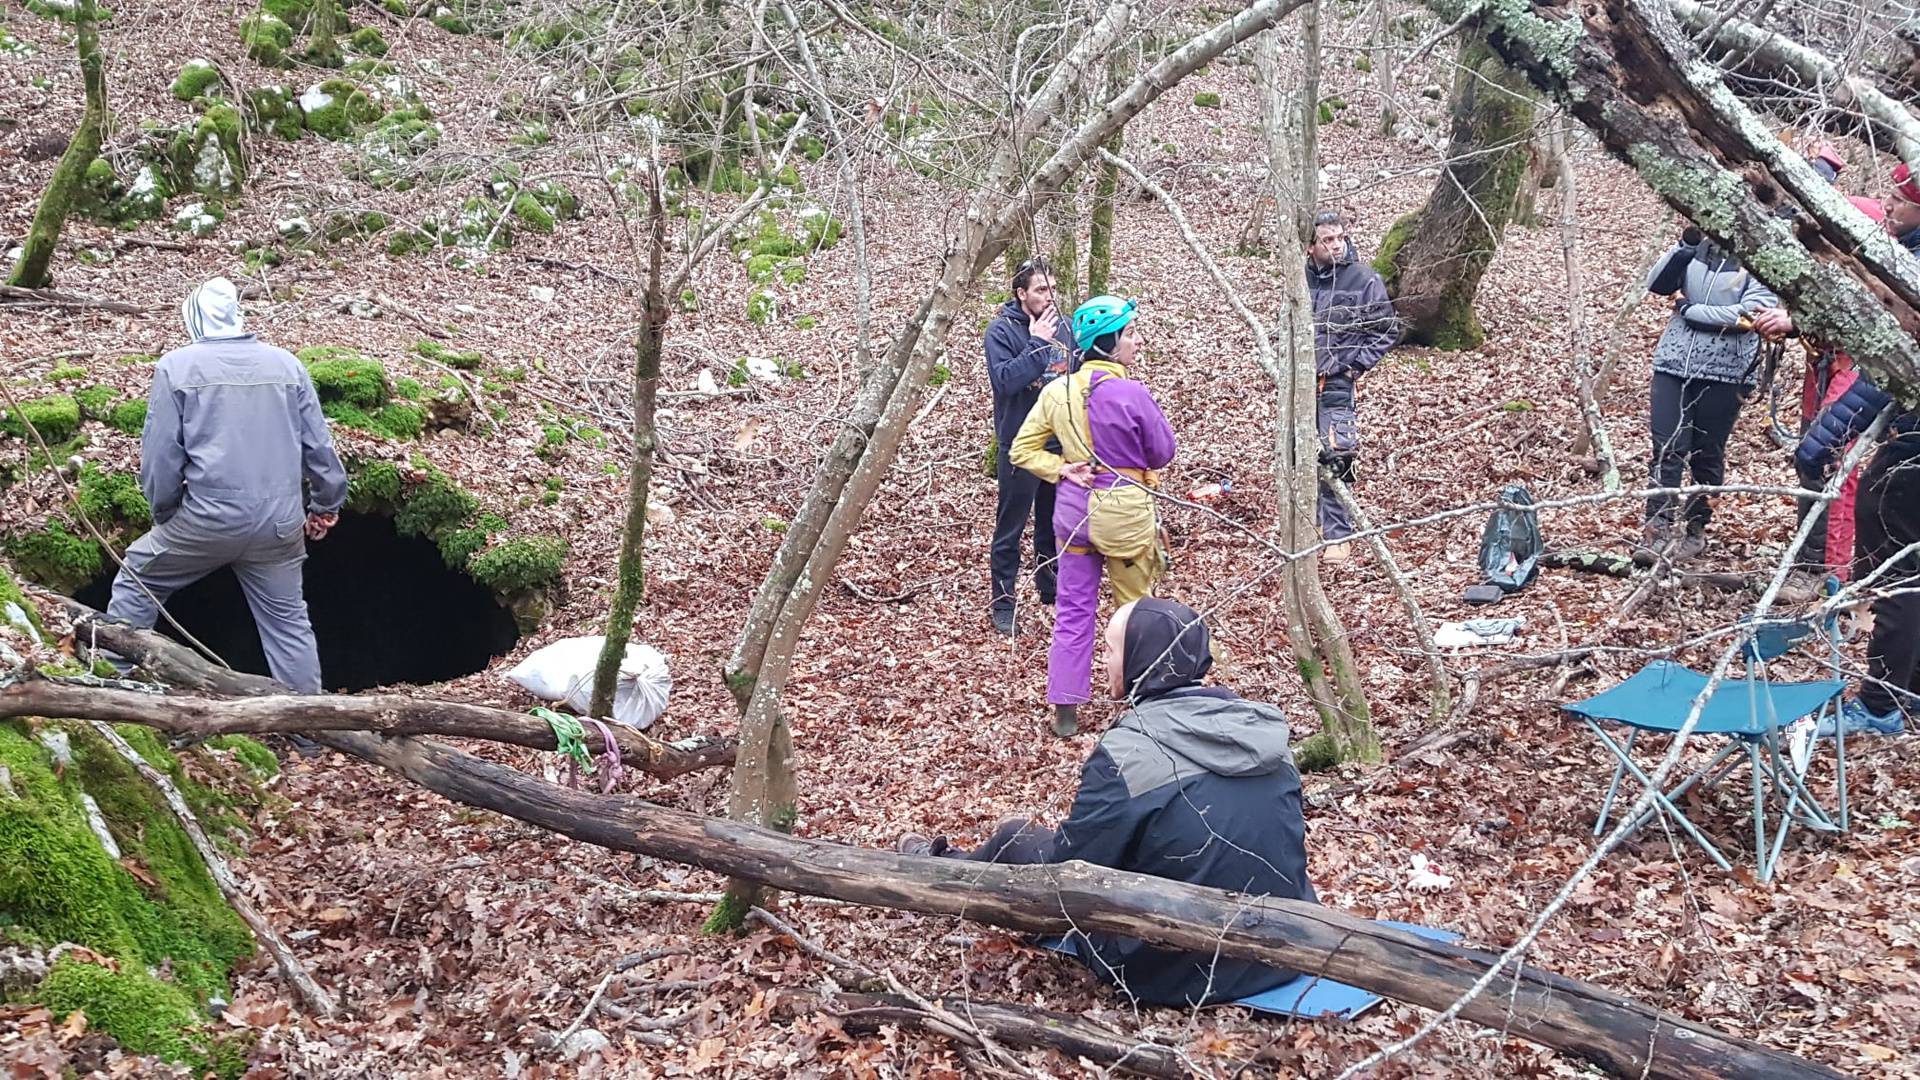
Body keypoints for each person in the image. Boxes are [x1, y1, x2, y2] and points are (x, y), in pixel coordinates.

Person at [896, 598, 1315, 1007]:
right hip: (1285, 946)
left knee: (1015, 838)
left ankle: (937, 868)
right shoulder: (1260, 730)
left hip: (1173, 967)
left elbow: (1071, 869)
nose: (1105, 663)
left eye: (1112, 650)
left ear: (1141, 659)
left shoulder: (1131, 751)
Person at [108, 278, 347, 694]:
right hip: (279, 525)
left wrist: (166, 513)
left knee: (136, 579)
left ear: (194, 318)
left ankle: (113, 691)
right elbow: (319, 447)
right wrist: (325, 505)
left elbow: (162, 458)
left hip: (207, 519)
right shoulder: (287, 365)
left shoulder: (176, 368)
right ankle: (311, 733)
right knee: (288, 626)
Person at [1008, 295, 1177, 736]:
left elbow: (1021, 450)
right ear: (1109, 343)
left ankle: (1066, 707)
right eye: (1131, 334)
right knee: (1136, 609)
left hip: (1072, 513)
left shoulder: (1056, 390)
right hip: (1123, 511)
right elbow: (1163, 453)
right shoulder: (1132, 392)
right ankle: (1144, 703)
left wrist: (1060, 468)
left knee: (1073, 609)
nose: (1137, 341)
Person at [1637, 223, 1779, 563]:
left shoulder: (1762, 254)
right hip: (1673, 364)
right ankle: (1656, 531)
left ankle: (1695, 529)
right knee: (1667, 447)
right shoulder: (1698, 247)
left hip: (1727, 372)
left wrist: (1689, 310)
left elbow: (1750, 315)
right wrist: (1685, 244)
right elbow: (1657, 285)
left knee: (1707, 452)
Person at [984, 257, 1077, 637]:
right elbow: (1005, 381)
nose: (1049, 296)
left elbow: (1077, 372)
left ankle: (1048, 583)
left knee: (1052, 523)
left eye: (1053, 288)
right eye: (1041, 289)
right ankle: (1002, 602)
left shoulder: (1067, 328)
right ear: (1022, 294)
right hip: (1020, 444)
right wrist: (1037, 342)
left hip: (1060, 443)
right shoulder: (1001, 331)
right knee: (1011, 526)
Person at [1304, 211, 1398, 561]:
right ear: (1311, 245)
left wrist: (1354, 368)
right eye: (1327, 240)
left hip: (1336, 383)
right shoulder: (1300, 278)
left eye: (1340, 237)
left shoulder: (1362, 278)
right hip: (1301, 384)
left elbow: (1386, 329)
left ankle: (1338, 536)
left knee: (1337, 454)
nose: (1336, 245)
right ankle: (1310, 525)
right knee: (1302, 455)